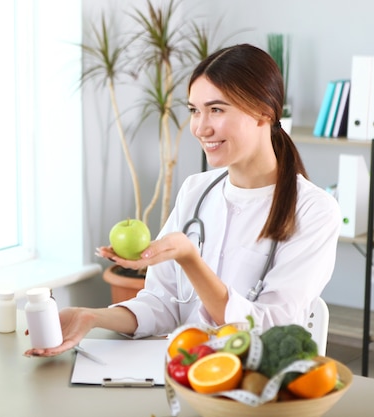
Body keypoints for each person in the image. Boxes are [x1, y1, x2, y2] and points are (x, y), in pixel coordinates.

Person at [25, 43, 341, 357]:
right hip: (183, 374)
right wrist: (91, 317)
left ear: (264, 112)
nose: (200, 127)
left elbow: (271, 331)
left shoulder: (314, 211)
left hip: (253, 385)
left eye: (216, 109)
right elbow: (162, 303)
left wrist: (190, 258)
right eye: (194, 110)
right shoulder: (196, 191)